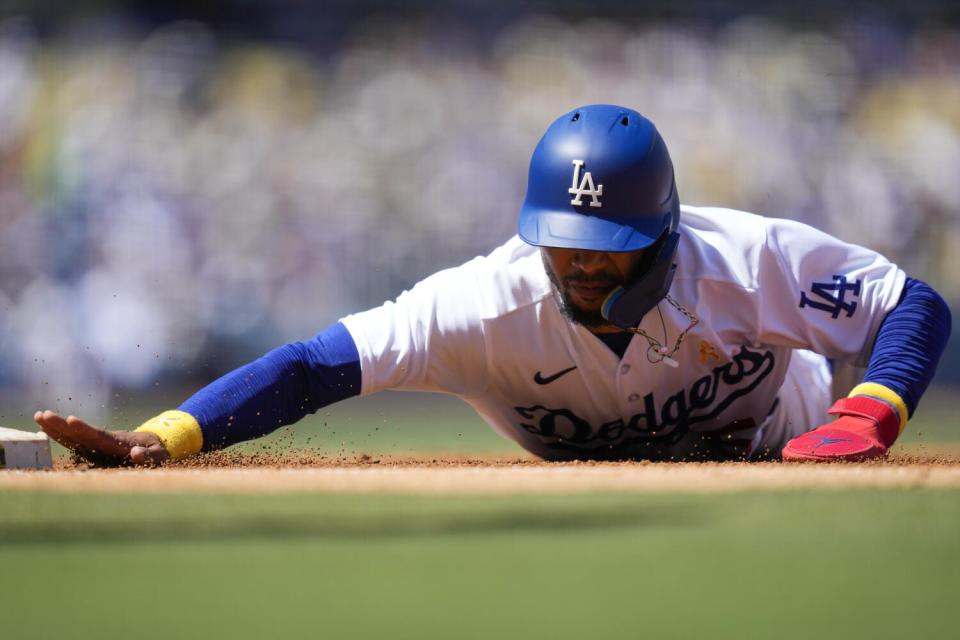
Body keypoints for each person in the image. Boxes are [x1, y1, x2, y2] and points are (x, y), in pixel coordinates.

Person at [35, 104, 951, 465]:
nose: (586, 265)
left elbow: (913, 301)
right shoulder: (482, 305)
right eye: (567, 244)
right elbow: (317, 365)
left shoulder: (745, 259)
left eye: (612, 245)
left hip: (776, 433)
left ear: (667, 235)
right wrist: (163, 437)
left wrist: (866, 411)